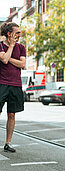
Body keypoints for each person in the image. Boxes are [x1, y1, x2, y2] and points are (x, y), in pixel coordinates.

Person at [0, 23, 26, 153]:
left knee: (12, 114)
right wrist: (10, 47)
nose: (19, 35)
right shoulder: (0, 45)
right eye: (17, 33)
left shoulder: (21, 48)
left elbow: (22, 64)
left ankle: (7, 143)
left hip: (16, 84)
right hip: (1, 83)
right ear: (9, 34)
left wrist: (8, 57)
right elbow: (3, 60)